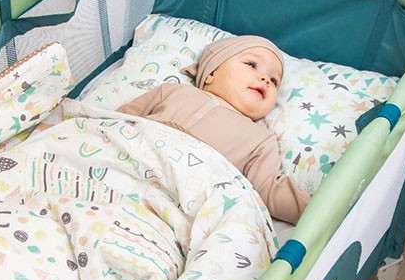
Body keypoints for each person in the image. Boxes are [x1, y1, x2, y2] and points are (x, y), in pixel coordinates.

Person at [117, 35, 310, 224]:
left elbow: (269, 189)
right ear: (211, 73)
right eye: (251, 65)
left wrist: (319, 213)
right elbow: (118, 120)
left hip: (177, 204)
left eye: (274, 81)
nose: (265, 79)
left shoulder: (261, 139)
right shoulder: (172, 91)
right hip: (124, 165)